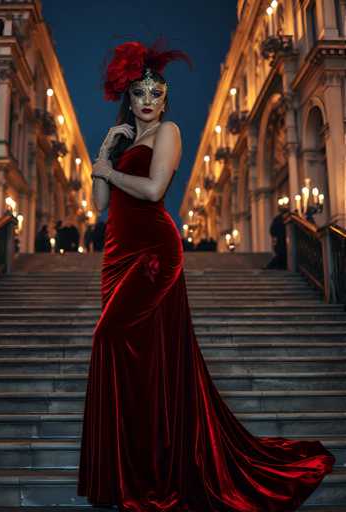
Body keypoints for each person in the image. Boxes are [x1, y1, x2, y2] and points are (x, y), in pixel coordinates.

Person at [77, 38, 334, 512]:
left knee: (110, 337)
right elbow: (97, 208)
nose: (149, 102)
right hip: (116, 255)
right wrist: (106, 153)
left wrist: (109, 174)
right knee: (140, 358)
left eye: (157, 94)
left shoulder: (169, 132)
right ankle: (134, 468)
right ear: (128, 99)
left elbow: (154, 191)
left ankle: (154, 469)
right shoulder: (124, 139)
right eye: (140, 94)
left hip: (153, 253)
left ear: (165, 99)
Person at [265, 205, 287, 270]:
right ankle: (270, 267)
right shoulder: (279, 220)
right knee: (281, 255)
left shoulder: (277, 219)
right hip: (280, 240)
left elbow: (272, 230)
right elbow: (272, 230)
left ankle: (272, 267)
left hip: (281, 240)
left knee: (281, 255)